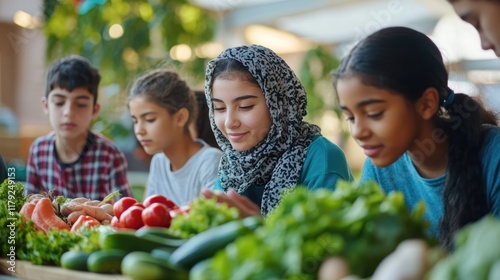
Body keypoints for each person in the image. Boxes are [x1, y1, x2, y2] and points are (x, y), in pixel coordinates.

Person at [332, 26, 499, 250]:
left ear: (427, 103)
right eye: (350, 118)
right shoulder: (378, 171)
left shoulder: (494, 155)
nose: (358, 132)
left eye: (374, 114)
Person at [203, 44, 353, 216]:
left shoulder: (321, 157)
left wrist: (256, 227)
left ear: (278, 104)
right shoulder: (233, 166)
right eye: (219, 108)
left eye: (245, 106)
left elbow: (326, 239)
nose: (229, 122)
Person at [25, 55, 132, 200]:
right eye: (58, 102)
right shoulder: (38, 150)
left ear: (94, 110)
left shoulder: (110, 155)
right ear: (46, 105)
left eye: (81, 104)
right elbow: (27, 210)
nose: (68, 112)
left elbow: (125, 213)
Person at [128, 69, 222, 206]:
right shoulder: (158, 162)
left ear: (180, 117)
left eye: (149, 119)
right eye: (135, 121)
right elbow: (145, 217)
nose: (139, 131)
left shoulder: (210, 161)